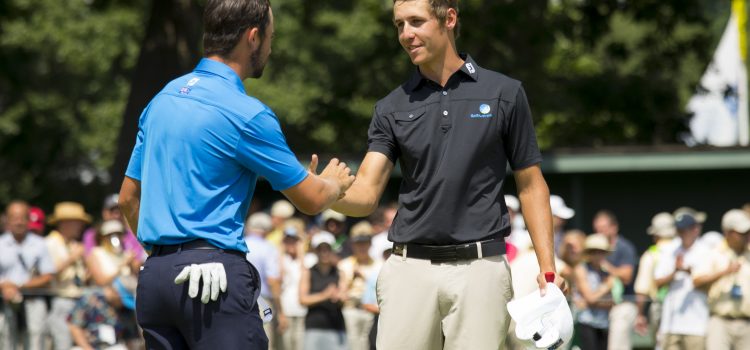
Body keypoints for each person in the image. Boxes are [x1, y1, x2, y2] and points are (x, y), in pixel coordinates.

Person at [117, 0, 355, 348]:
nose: (272, 47)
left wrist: (168, 258)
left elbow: (127, 199)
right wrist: (333, 183)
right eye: (272, 37)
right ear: (254, 37)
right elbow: (313, 199)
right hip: (212, 278)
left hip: (154, 279)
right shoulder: (247, 114)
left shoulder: (161, 100)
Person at [330, 1, 565, 348]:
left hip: (482, 270)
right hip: (408, 269)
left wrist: (548, 270)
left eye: (416, 22)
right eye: (399, 25)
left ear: (449, 19)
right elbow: (365, 195)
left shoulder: (505, 93)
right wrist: (323, 192)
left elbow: (530, 186)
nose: (406, 34)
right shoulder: (390, 107)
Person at [0, 201, 55, 350]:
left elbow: (48, 276)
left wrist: (19, 286)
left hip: (33, 301)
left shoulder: (40, 244)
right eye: (14, 218)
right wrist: (4, 286)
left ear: (28, 219)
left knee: (36, 341)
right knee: (6, 341)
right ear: (7, 219)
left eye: (22, 217)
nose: (18, 222)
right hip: (5, 302)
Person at [693, 209, 750, 349]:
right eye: (741, 233)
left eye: (747, 232)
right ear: (728, 233)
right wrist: (725, 272)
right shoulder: (713, 253)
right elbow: (697, 281)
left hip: (747, 322)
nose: (746, 236)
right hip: (720, 321)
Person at [654, 211, 710, 350]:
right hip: (670, 324)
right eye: (679, 230)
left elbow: (707, 283)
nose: (681, 234)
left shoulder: (706, 251)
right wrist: (675, 271)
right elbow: (657, 282)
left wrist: (689, 272)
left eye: (684, 230)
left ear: (695, 229)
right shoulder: (669, 249)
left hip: (698, 324)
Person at [46, 201, 91, 350]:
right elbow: (48, 273)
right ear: (65, 223)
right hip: (61, 300)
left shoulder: (73, 244)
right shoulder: (50, 243)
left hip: (78, 299)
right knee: (63, 344)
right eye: (78, 223)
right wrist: (72, 258)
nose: (81, 227)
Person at [592, 210, 638, 350]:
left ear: (614, 227)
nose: (600, 232)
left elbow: (627, 277)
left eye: (603, 228)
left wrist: (605, 265)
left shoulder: (624, 247)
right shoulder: (594, 247)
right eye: (597, 229)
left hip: (622, 306)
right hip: (599, 310)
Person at [633, 212, 677, 345]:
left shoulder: (651, 254)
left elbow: (642, 289)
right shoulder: (686, 249)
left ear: (655, 235)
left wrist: (640, 315)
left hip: (661, 308)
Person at [299, 232, 347, 350]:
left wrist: (339, 297)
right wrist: (324, 295)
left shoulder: (340, 273)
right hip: (314, 327)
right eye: (320, 249)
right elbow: (302, 299)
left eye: (327, 249)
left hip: (337, 327)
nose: (324, 253)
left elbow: (344, 297)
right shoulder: (308, 272)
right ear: (316, 251)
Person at [244, 212, 284, 349]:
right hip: (263, 302)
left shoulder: (239, 244)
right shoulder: (269, 248)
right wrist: (280, 310)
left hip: (236, 299)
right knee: (264, 343)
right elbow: (273, 280)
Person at [338, 221, 379, 350]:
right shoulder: (344, 264)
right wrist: (351, 278)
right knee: (352, 344)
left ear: (370, 243)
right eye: (358, 243)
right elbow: (341, 292)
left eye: (364, 243)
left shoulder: (379, 265)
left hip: (372, 311)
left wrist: (365, 277)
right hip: (351, 309)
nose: (361, 247)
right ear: (352, 244)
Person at [67, 277, 140, 350]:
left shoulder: (126, 309)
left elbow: (130, 338)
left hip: (113, 347)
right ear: (114, 292)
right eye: (122, 299)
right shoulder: (91, 298)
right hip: (86, 346)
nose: (123, 304)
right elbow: (74, 326)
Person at [574, 233, 616, 350]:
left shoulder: (607, 273)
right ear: (588, 253)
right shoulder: (581, 269)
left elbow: (611, 303)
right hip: (586, 322)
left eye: (601, 252)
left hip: (604, 323)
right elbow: (590, 298)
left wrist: (590, 302)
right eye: (594, 251)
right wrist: (605, 287)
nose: (597, 255)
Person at [82, 194, 146, 262]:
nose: (117, 215)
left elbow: (138, 262)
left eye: (121, 211)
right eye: (112, 211)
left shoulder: (134, 235)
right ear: (104, 213)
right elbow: (89, 260)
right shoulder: (92, 235)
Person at [279, 221, 308, 350]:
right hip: (285, 310)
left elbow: (304, 273)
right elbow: (279, 278)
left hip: (302, 311)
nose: (290, 244)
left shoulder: (308, 259)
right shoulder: (280, 259)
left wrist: (301, 251)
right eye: (287, 241)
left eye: (294, 241)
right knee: (285, 345)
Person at [85, 220, 139, 287]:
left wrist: (133, 265)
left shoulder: (126, 253)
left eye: (119, 234)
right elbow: (101, 282)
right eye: (110, 235)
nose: (115, 238)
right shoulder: (96, 253)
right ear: (102, 237)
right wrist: (123, 264)